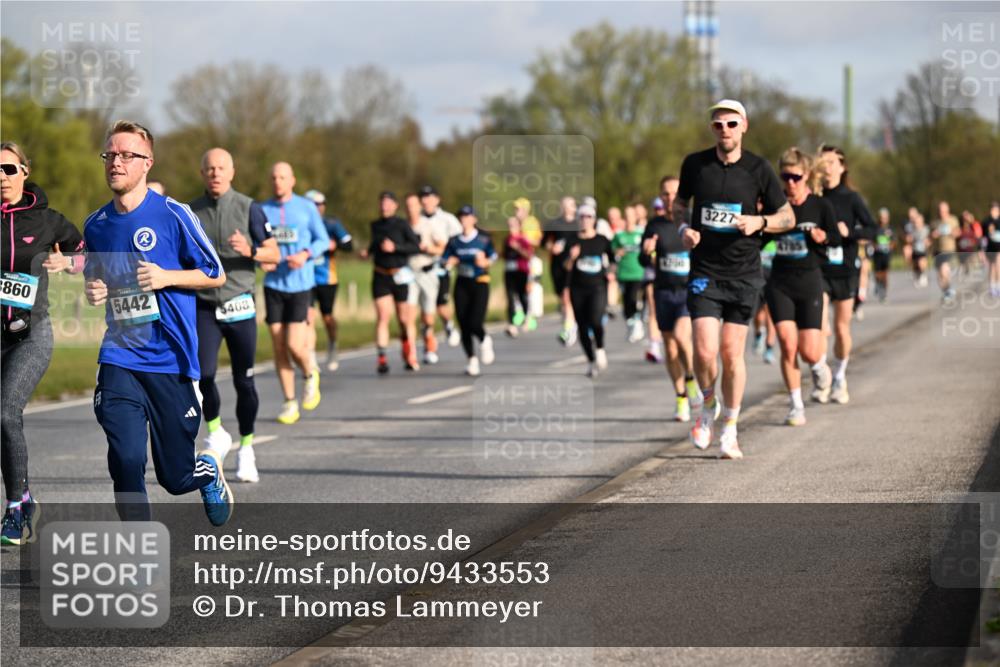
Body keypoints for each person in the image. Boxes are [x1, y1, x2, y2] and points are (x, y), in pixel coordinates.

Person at [83, 120, 230, 524]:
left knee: (175, 477)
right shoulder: (95, 225)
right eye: (110, 154)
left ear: (147, 163)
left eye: (126, 155)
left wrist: (167, 277)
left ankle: (207, 471)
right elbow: (96, 279)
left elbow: (214, 272)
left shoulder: (173, 215)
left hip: (171, 362)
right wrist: (93, 289)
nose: (116, 162)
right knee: (127, 460)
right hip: (121, 357)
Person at [676, 99, 794, 460]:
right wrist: (683, 228)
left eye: (730, 123)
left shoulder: (758, 169)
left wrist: (760, 222)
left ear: (743, 125)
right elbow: (680, 204)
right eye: (717, 124)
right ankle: (705, 406)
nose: (724, 130)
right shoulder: (695, 164)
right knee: (704, 349)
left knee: (731, 353)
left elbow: (787, 216)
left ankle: (730, 427)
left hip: (744, 273)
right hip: (705, 271)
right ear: (712, 129)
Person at [1, 142, 84, 544]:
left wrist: (68, 262)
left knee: (5, 412)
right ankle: (27, 496)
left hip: (31, 333)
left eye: (9, 169)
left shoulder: (48, 220)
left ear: (25, 171)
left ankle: (16, 508)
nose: (2, 176)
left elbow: (90, 255)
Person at [190, 148, 279, 484]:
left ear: (232, 172)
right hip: (204, 304)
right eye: (209, 168)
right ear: (202, 173)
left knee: (245, 379)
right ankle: (215, 432)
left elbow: (275, 253)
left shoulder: (249, 207)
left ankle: (247, 448)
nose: (215, 173)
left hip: (239, 302)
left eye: (221, 167)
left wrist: (251, 251)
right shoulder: (189, 211)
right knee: (203, 375)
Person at [766, 148, 840, 426]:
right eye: (785, 177)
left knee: (809, 351)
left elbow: (835, 239)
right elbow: (760, 240)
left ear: (806, 175)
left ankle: (820, 366)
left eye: (796, 177)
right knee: (787, 344)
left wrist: (823, 237)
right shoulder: (776, 207)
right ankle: (796, 405)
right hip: (780, 282)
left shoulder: (821, 206)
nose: (791, 183)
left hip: (809, 281)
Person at [260, 162, 330, 424]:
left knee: (294, 345)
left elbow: (322, 240)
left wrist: (305, 254)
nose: (278, 181)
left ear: (292, 180)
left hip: (300, 285)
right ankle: (289, 402)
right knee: (278, 346)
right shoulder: (262, 209)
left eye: (283, 177)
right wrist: (261, 261)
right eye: (274, 177)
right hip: (273, 286)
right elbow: (256, 245)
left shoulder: (306, 208)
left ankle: (310, 372)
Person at [818, 144, 876, 405]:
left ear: (842, 167)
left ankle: (840, 377)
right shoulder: (813, 196)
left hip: (844, 269)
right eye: (823, 162)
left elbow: (873, 230)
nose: (826, 167)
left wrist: (849, 234)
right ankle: (821, 374)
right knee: (818, 328)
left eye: (831, 162)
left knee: (841, 329)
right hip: (817, 269)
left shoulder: (852, 198)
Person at [640, 190, 701, 421]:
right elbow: (642, 260)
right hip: (663, 291)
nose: (669, 198)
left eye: (675, 193)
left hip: (687, 290)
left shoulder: (692, 220)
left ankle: (691, 376)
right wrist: (647, 251)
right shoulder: (654, 225)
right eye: (665, 194)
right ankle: (681, 397)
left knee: (681, 337)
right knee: (670, 348)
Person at [361, 191, 421, 374]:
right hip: (381, 275)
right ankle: (382, 358)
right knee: (383, 316)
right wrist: (367, 252)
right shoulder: (375, 225)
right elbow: (374, 245)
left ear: (395, 205)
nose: (384, 207)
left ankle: (409, 350)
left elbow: (415, 247)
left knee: (404, 319)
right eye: (382, 203)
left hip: (400, 275)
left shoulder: (402, 224)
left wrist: (396, 248)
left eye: (388, 203)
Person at [410, 185, 462, 365]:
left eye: (429, 197)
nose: (426, 201)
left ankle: (448, 323)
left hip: (441, 268)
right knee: (424, 311)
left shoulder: (447, 219)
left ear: (437, 200)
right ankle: (429, 347)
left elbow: (458, 243)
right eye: (423, 197)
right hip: (420, 270)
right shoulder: (416, 220)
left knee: (440, 305)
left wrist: (452, 259)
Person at [443, 206, 497, 375]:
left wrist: (486, 261)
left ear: (474, 219)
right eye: (462, 216)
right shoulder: (454, 241)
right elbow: (444, 258)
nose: (464, 220)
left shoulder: (483, 239)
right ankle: (471, 360)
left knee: (475, 321)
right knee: (463, 323)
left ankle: (484, 339)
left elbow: (493, 256)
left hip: (480, 282)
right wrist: (449, 261)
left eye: (468, 216)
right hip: (462, 283)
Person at [304, 189, 354, 372]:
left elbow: (349, 244)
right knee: (308, 317)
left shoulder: (331, 224)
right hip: (306, 278)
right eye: (312, 205)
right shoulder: (302, 224)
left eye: (319, 204)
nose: (316, 208)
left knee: (327, 317)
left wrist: (336, 244)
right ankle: (311, 357)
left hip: (327, 278)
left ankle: (333, 343)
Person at [565, 204, 615, 377]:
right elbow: (565, 267)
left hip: (598, 287)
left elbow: (613, 260)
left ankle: (600, 347)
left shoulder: (601, 240)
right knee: (582, 327)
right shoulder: (572, 240)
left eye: (588, 217)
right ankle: (591, 360)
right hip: (577, 288)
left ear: (594, 220)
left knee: (595, 320)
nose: (585, 220)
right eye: (582, 217)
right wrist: (571, 257)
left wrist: (611, 273)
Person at [544, 196, 579, 346]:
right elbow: (544, 242)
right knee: (563, 298)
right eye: (564, 205)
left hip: (574, 266)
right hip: (557, 265)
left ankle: (569, 329)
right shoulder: (554, 223)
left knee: (567, 296)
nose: (567, 208)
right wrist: (552, 248)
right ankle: (572, 323)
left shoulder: (579, 223)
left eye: (570, 205)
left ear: (574, 208)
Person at [612, 206, 645, 342]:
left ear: (635, 217)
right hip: (623, 273)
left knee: (633, 298)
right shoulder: (619, 235)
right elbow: (612, 251)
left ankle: (637, 324)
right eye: (626, 216)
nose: (629, 218)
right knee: (626, 305)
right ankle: (632, 324)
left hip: (638, 271)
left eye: (631, 215)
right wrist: (617, 252)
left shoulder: (641, 233)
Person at [503, 215, 534, 337]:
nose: (511, 228)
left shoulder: (523, 240)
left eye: (513, 225)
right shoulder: (507, 240)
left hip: (521, 271)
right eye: (509, 225)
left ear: (518, 226)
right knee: (510, 297)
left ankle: (527, 317)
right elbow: (504, 255)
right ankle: (511, 324)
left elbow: (529, 255)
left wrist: (518, 248)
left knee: (522, 295)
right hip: (509, 271)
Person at [753, 237, 778, 365]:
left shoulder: (777, 235)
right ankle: (758, 334)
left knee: (770, 313)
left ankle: (769, 348)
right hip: (757, 277)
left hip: (773, 278)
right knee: (758, 314)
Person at [931, 200, 959, 305]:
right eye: (940, 210)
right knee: (940, 276)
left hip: (949, 250)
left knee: (944, 270)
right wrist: (933, 235)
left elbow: (957, 232)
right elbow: (930, 236)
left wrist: (951, 232)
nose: (942, 212)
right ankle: (947, 291)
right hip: (937, 251)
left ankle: (949, 291)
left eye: (944, 210)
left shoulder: (953, 219)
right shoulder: (935, 222)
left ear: (948, 210)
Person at [872, 208, 894, 302]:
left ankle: (884, 292)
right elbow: (871, 240)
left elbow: (893, 241)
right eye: (881, 217)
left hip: (886, 254)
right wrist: (875, 246)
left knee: (885, 274)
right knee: (877, 273)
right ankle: (878, 285)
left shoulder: (890, 229)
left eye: (885, 218)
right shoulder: (875, 228)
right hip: (877, 254)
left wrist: (889, 246)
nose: (883, 219)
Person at [905, 207, 930, 287]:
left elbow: (929, 239)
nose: (917, 224)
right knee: (915, 264)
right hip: (915, 250)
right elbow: (908, 239)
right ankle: (916, 274)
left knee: (921, 263)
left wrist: (927, 242)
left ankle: (923, 275)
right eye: (915, 222)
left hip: (922, 250)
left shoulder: (925, 229)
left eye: (918, 222)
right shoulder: (911, 229)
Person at [984, 201, 1000, 297]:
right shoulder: (986, 221)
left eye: (995, 210)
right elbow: (983, 236)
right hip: (990, 247)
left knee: (998, 266)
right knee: (992, 267)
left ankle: (998, 286)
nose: (993, 211)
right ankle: (992, 286)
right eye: (992, 209)